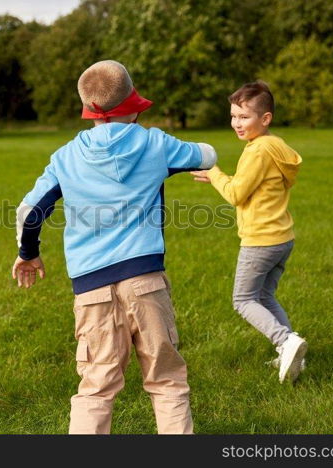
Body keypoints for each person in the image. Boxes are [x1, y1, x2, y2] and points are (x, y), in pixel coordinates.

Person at [11, 60, 217, 433]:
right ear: (134, 103)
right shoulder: (155, 144)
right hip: (146, 283)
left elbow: (28, 214)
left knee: (95, 389)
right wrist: (166, 158)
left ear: (88, 109)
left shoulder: (65, 157)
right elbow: (207, 155)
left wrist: (28, 253)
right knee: (167, 381)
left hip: (91, 291)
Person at [191, 81, 306, 384]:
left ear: (264, 119)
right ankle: (290, 352)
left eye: (244, 117)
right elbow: (249, 187)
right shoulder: (276, 146)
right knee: (265, 295)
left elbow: (236, 194)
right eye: (233, 116)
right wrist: (218, 178)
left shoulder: (257, 151)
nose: (236, 124)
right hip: (282, 237)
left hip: (261, 240)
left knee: (243, 299)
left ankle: (286, 340)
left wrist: (214, 171)